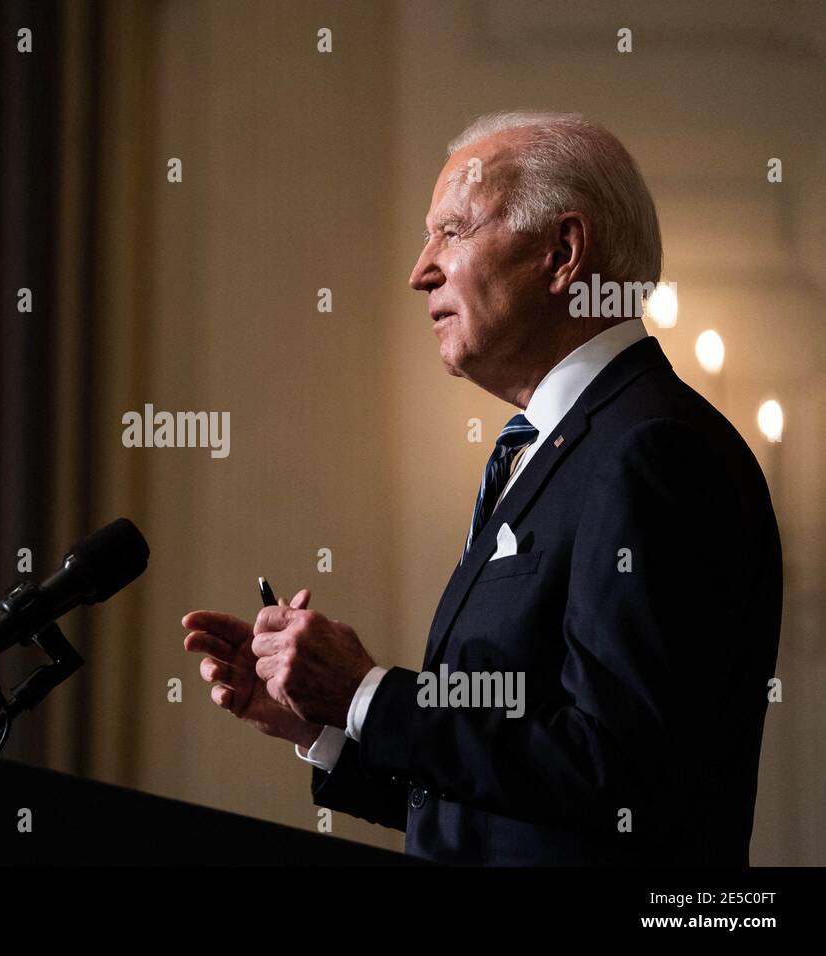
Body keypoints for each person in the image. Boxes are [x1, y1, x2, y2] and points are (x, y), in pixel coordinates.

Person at [182, 111, 782, 865]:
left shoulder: (654, 450)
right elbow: (505, 804)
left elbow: (619, 776)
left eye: (452, 231)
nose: (419, 269)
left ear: (562, 254)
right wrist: (329, 725)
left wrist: (370, 692)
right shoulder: (551, 449)